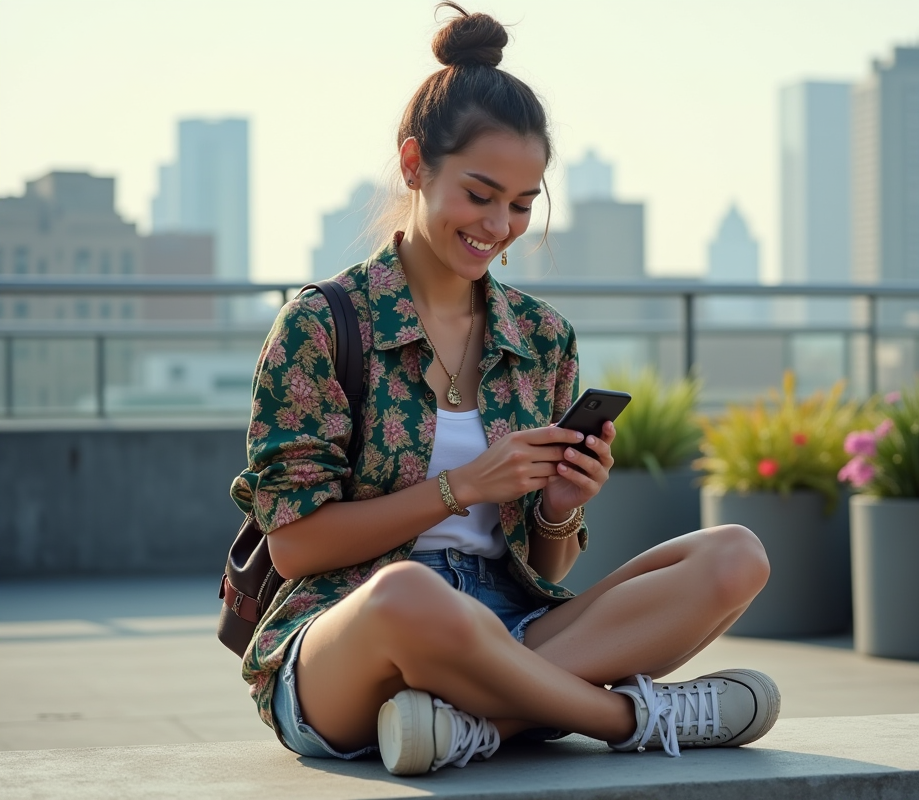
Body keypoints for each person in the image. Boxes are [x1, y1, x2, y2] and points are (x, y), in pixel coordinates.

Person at [230, 2, 778, 777]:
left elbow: (544, 574)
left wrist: (558, 510)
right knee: (407, 593)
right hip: (349, 641)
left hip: (512, 626)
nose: (500, 224)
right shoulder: (323, 323)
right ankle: (628, 719)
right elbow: (294, 548)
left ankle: (471, 725)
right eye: (480, 194)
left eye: (523, 203)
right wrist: (458, 489)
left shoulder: (543, 338)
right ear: (416, 165)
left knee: (735, 556)